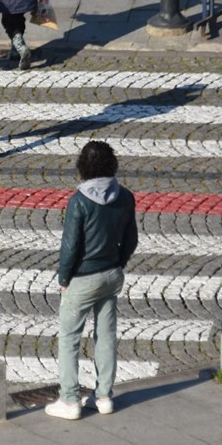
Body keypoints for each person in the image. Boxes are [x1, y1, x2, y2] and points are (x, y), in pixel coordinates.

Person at [46, 140, 138, 420]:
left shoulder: (80, 201)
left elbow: (71, 246)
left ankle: (70, 400)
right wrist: (118, 263)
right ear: (112, 164)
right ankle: (104, 396)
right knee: (106, 335)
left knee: (69, 338)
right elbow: (131, 239)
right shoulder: (125, 196)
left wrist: (64, 277)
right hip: (111, 274)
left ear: (82, 167)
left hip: (83, 278)